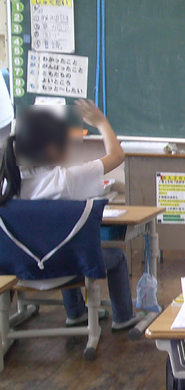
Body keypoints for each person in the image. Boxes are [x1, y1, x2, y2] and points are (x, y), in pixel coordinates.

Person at [0, 102, 146, 330]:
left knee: (59, 243)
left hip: (18, 271)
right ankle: (123, 317)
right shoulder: (66, 179)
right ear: (52, 149)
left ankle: (76, 312)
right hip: (65, 269)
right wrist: (101, 122)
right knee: (114, 257)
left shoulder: (7, 184)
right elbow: (117, 156)